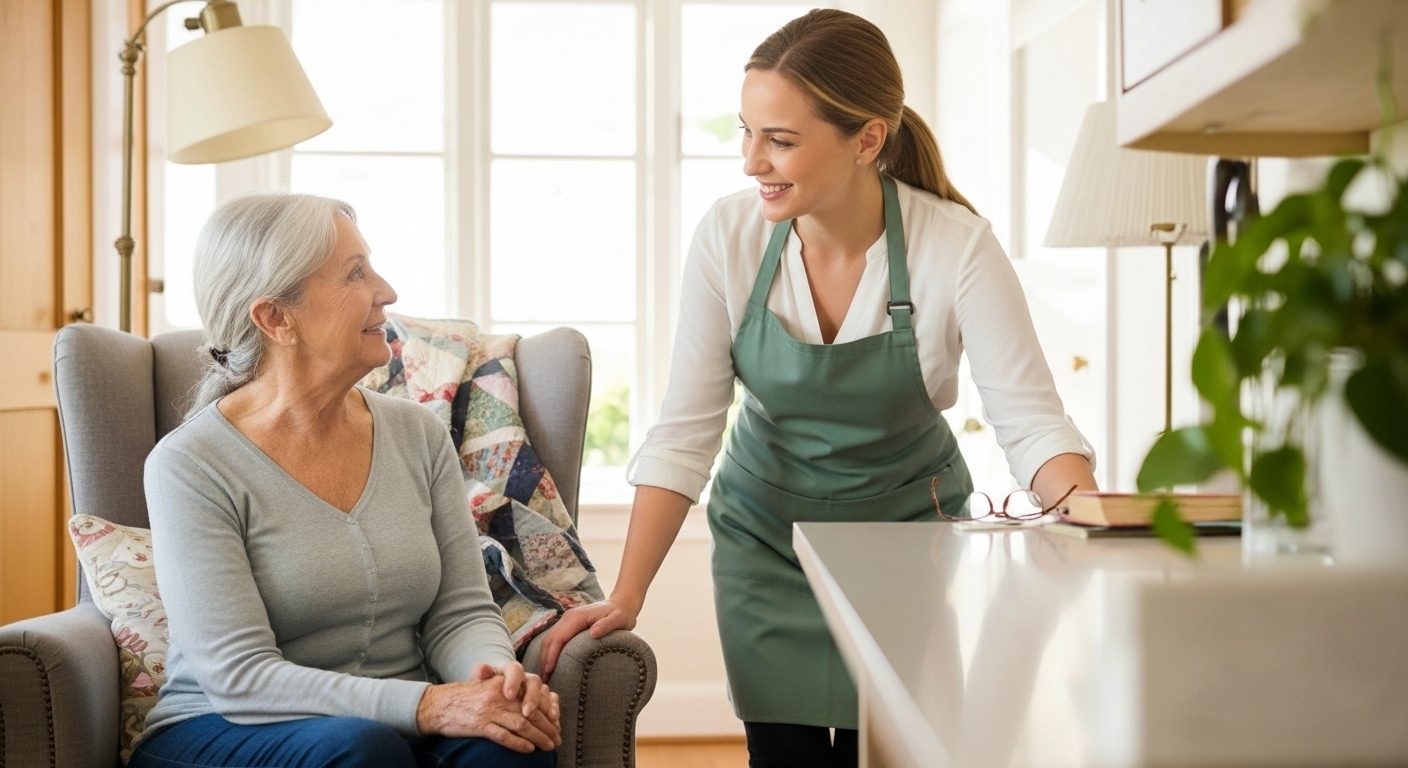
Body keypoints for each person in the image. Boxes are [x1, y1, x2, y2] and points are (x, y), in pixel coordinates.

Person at [536, 9, 1098, 767]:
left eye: (780, 140)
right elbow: (686, 430)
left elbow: (1030, 424)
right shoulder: (728, 238)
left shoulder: (955, 247)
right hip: (768, 540)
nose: (750, 161)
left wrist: (1097, 535)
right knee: (786, 757)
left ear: (868, 139)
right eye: (746, 131)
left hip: (912, 544)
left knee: (894, 748)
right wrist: (627, 597)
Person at [132, 194, 560, 768]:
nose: (387, 292)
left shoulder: (417, 434)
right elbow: (239, 677)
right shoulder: (190, 464)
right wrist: (431, 706)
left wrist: (492, 678)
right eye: (355, 273)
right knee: (361, 750)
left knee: (512, 747)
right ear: (275, 318)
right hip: (223, 726)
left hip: (392, 723)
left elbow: (459, 611)